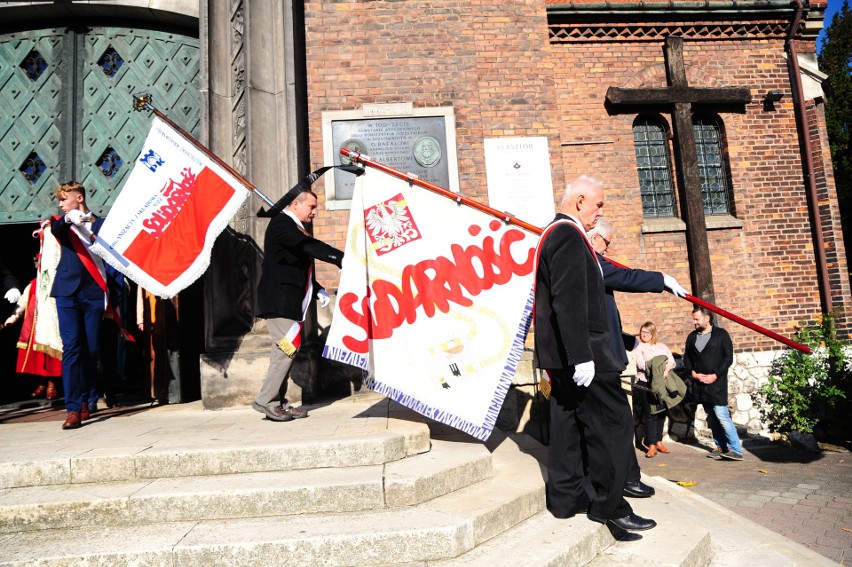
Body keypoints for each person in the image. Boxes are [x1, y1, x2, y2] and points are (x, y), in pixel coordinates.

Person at [534, 175, 655, 532]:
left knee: (568, 428)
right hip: (588, 355)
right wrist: (582, 355)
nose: (600, 210)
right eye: (598, 204)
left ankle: (566, 499)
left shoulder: (553, 232)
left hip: (561, 356)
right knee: (613, 427)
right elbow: (567, 299)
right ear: (580, 201)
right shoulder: (570, 236)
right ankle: (611, 505)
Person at [587, 220, 687, 478]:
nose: (607, 249)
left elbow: (605, 321)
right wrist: (661, 279)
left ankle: (627, 476)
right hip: (600, 360)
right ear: (594, 237)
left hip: (609, 355)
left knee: (615, 422)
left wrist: (630, 342)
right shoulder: (591, 261)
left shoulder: (594, 262)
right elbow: (627, 277)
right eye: (606, 242)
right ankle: (625, 478)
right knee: (619, 422)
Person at [253, 185, 343, 422]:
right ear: (296, 204)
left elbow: (297, 264)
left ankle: (278, 402)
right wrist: (341, 258)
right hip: (280, 299)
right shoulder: (283, 224)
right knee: (286, 350)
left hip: (290, 300)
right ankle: (267, 401)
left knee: (285, 351)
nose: (314, 211)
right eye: (311, 206)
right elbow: (308, 247)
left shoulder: (292, 227)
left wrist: (317, 289)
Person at [50, 181, 118, 429]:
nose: (60, 204)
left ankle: (89, 397)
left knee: (90, 349)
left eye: (64, 199)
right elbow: (56, 229)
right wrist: (69, 219)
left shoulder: (101, 224)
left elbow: (111, 257)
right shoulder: (63, 222)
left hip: (92, 293)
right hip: (66, 293)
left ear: (79, 198)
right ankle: (73, 409)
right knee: (72, 348)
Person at [683, 305, 742, 461]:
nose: (694, 323)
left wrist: (715, 375)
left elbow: (727, 357)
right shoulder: (692, 337)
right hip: (700, 385)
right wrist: (693, 374)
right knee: (711, 416)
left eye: (697, 319)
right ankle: (721, 447)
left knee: (722, 415)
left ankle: (736, 449)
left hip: (717, 383)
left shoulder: (721, 335)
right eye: (693, 320)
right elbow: (687, 358)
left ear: (707, 318)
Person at [633, 321, 676, 458]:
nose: (644, 334)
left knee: (662, 412)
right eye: (642, 332)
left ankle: (658, 441)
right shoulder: (639, 347)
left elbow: (671, 360)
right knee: (650, 413)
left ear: (653, 334)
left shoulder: (661, 346)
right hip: (646, 384)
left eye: (647, 332)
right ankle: (650, 444)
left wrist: (665, 369)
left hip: (662, 383)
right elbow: (642, 365)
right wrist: (658, 365)